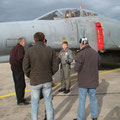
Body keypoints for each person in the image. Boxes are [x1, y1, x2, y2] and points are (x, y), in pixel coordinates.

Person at [23, 32, 59, 120]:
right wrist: (50, 73)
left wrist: (30, 75)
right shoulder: (50, 50)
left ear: (34, 40)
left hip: (35, 81)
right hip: (47, 80)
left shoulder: (29, 51)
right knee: (48, 104)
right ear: (44, 40)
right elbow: (56, 66)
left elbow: (25, 66)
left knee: (35, 105)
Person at [73, 37, 101, 120]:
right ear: (88, 43)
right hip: (93, 81)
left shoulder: (80, 54)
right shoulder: (95, 53)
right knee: (93, 99)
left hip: (83, 82)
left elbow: (76, 69)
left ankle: (80, 118)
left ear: (82, 44)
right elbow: (99, 64)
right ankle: (94, 117)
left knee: (82, 101)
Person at [9, 37, 29, 105]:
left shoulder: (15, 47)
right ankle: (20, 101)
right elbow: (20, 57)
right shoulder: (20, 48)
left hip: (14, 68)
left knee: (17, 84)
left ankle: (20, 98)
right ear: (21, 42)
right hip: (18, 68)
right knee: (21, 84)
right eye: (24, 42)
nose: (25, 43)